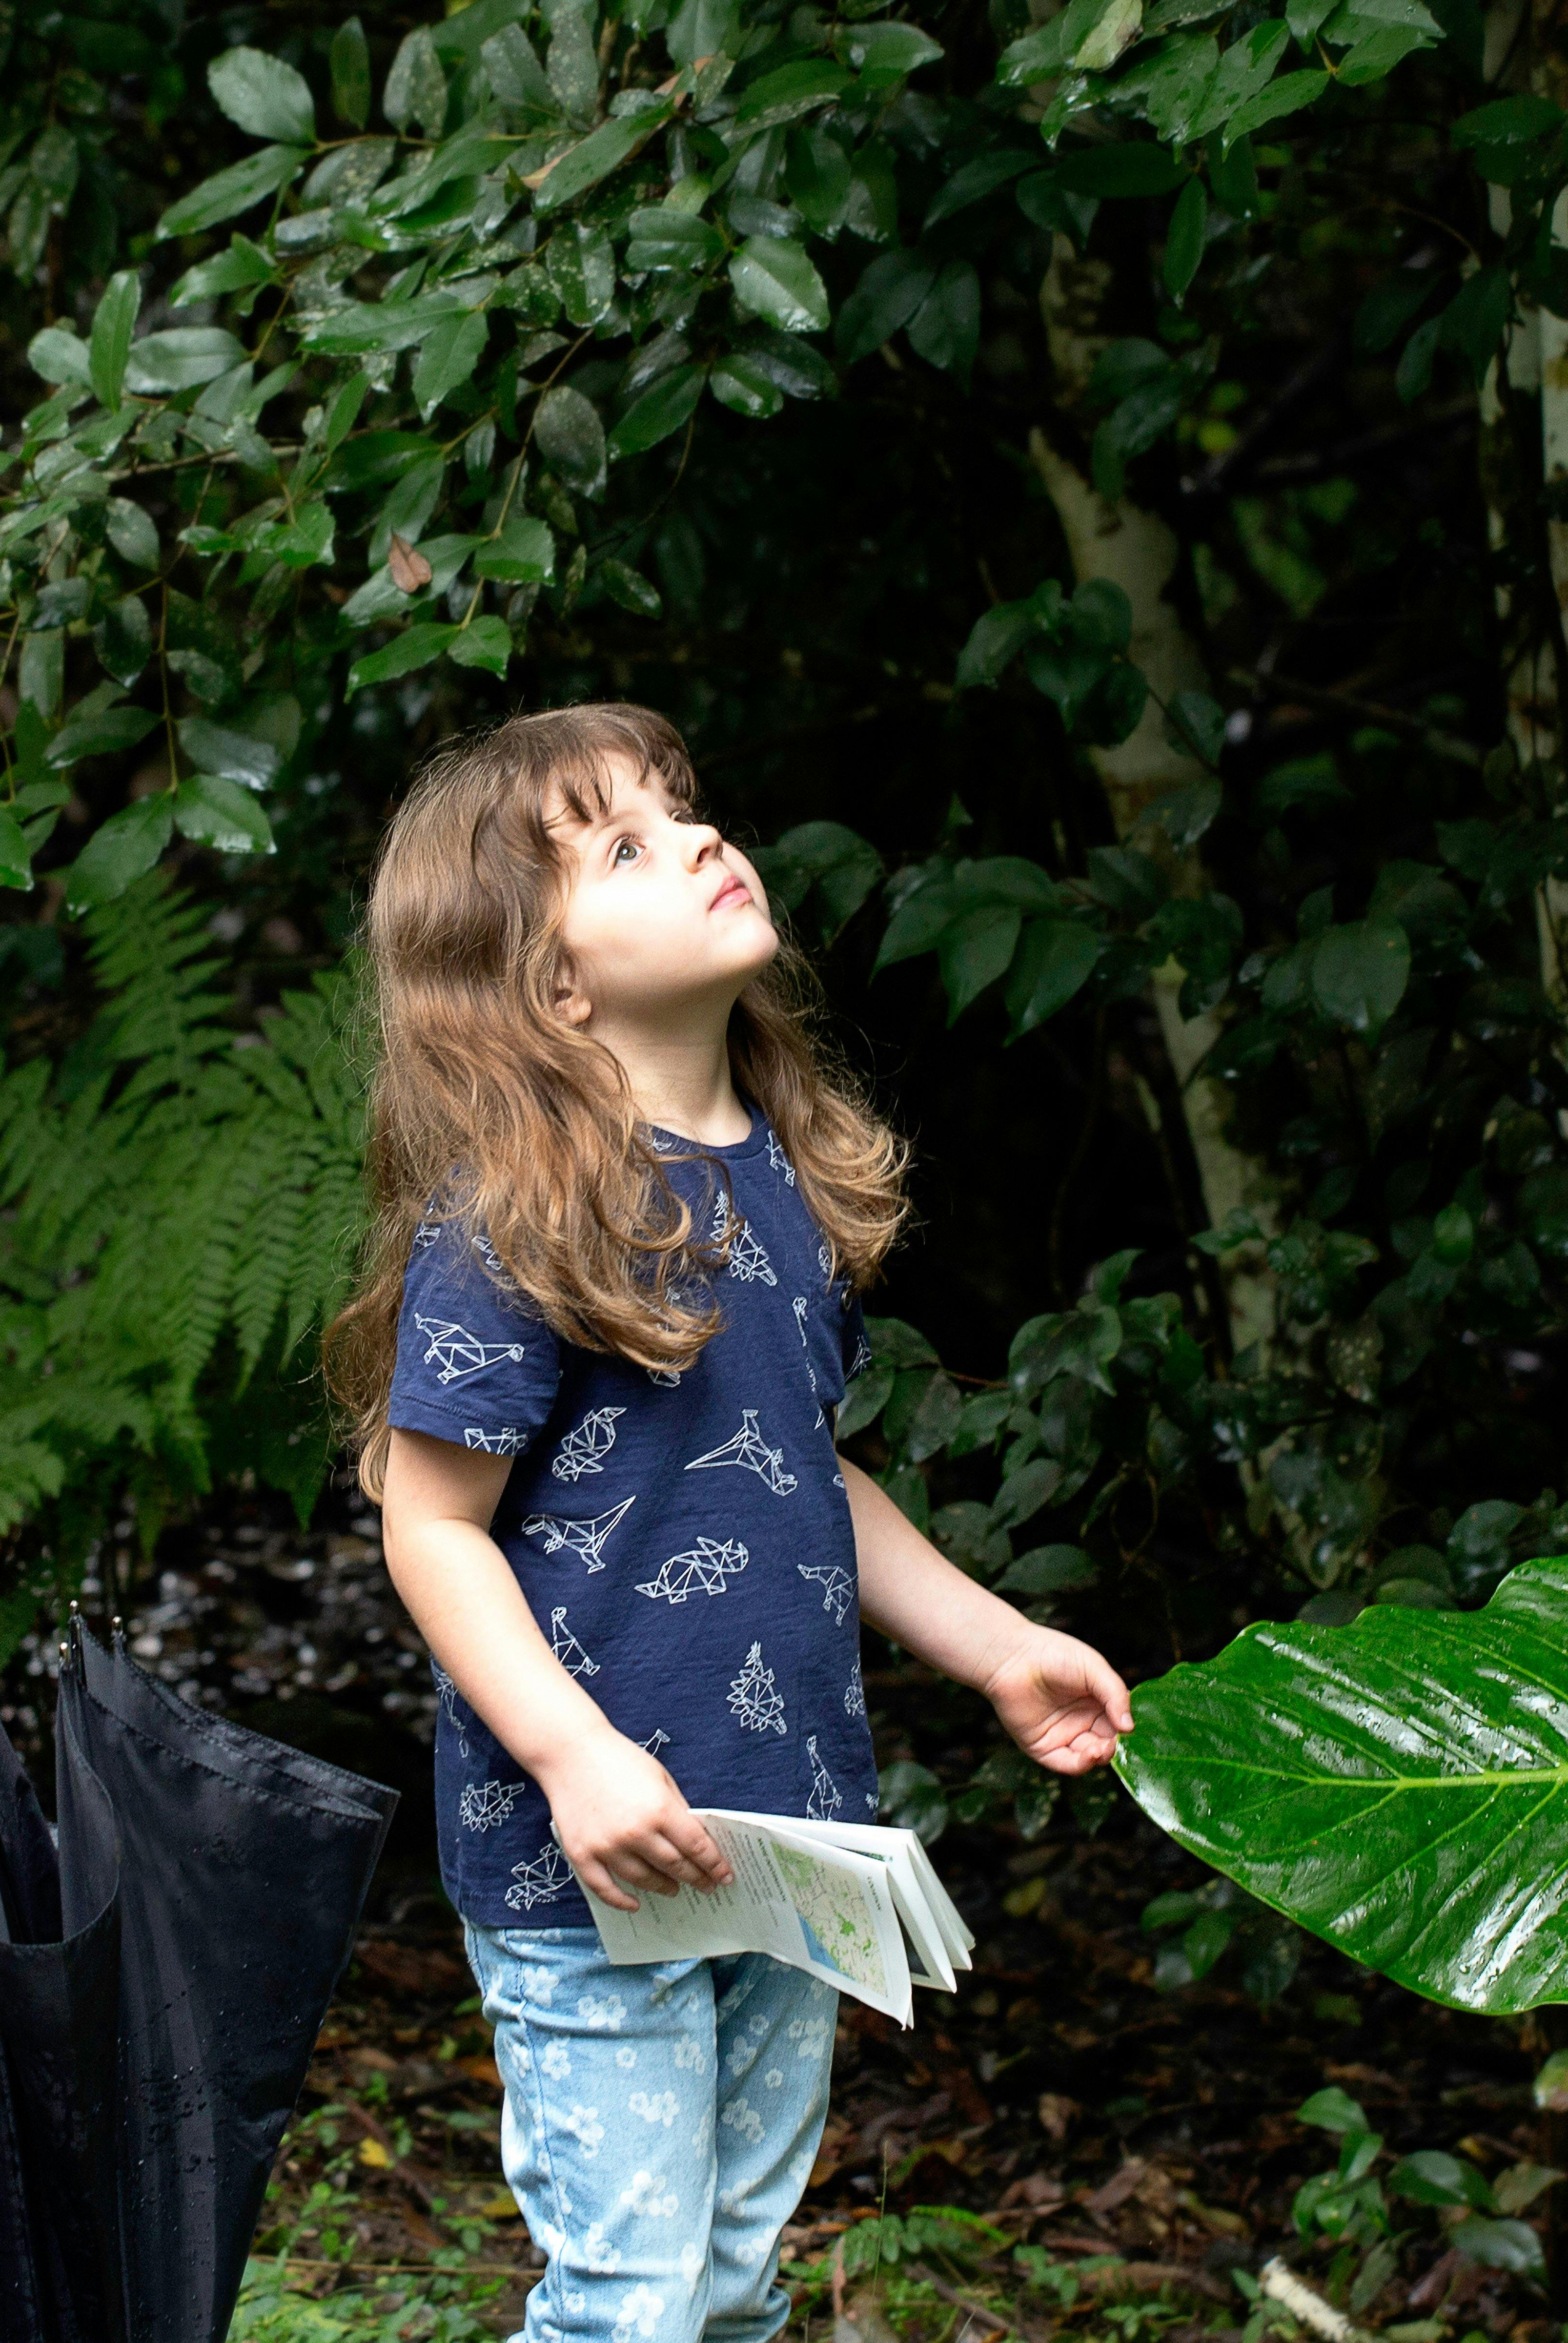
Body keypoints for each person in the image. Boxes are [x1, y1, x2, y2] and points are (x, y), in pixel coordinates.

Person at [321, 706, 1133, 2343]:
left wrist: (1000, 1647)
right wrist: (571, 1757)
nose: (698, 837)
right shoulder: (515, 1217)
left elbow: (801, 1470)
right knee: (629, 2298)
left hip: (783, 1835)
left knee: (734, 2281)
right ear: (552, 987)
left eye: (684, 809)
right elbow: (432, 1530)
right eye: (623, 844)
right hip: (591, 1855)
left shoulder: (781, 1176)